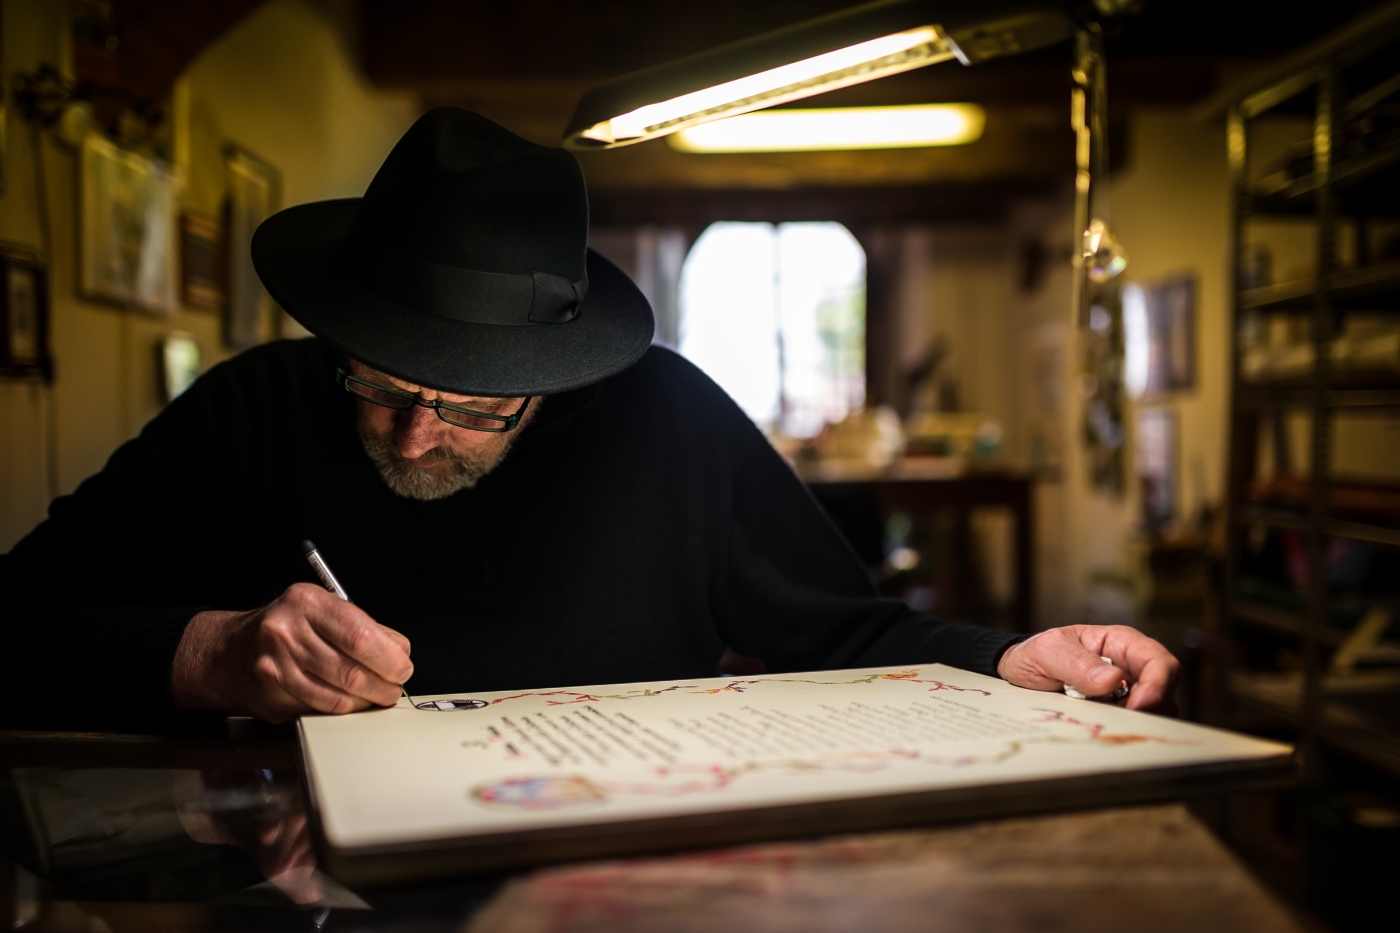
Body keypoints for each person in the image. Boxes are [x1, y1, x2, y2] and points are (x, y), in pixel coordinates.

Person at [1, 109, 1178, 731]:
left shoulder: (663, 418)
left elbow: (843, 632)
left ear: (552, 375)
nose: (414, 437)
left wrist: (1006, 659)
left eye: (469, 406)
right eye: (378, 386)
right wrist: (210, 655)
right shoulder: (248, 412)